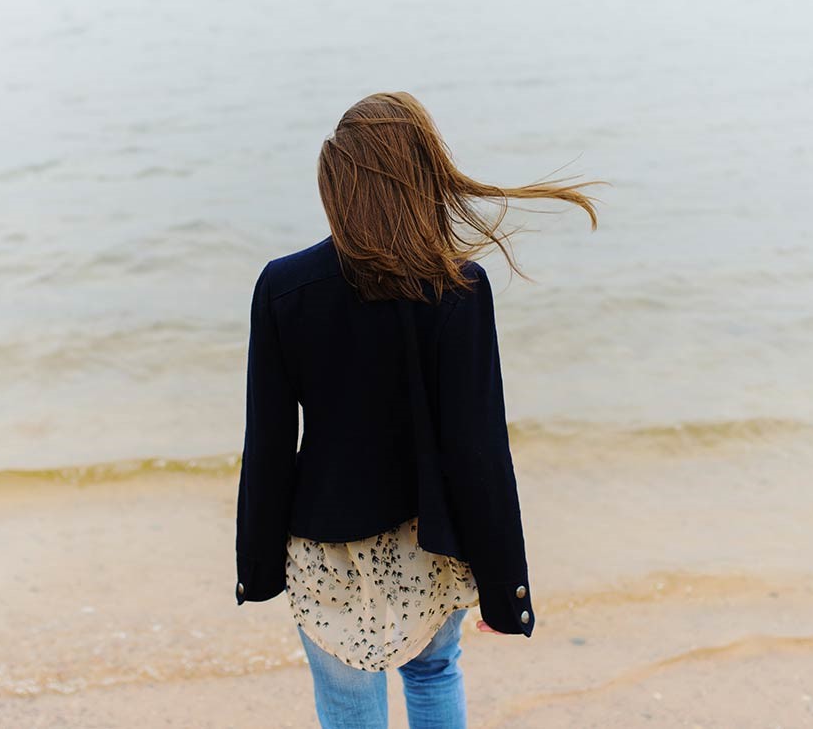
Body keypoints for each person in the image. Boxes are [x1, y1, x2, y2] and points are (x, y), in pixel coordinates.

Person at [234, 91, 603, 728]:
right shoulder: (457, 287)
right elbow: (477, 449)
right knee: (433, 674)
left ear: (337, 182)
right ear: (425, 175)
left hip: (327, 548)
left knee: (347, 701)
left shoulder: (283, 287)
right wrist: (503, 586)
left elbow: (268, 442)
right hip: (430, 541)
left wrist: (259, 567)